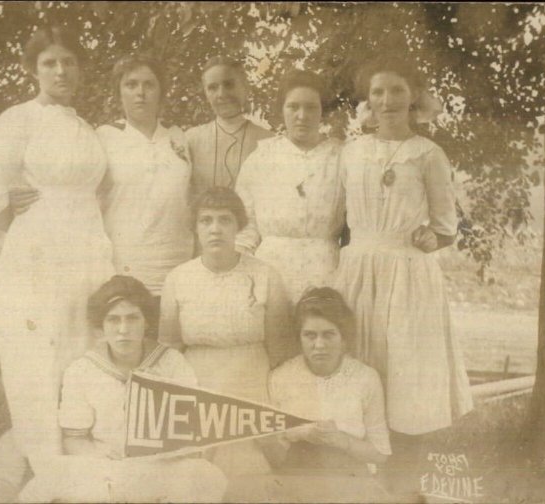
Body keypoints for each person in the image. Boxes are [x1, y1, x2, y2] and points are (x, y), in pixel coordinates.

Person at [0, 25, 114, 470]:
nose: (60, 70)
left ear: (81, 69)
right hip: (38, 254)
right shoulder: (19, 119)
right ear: (32, 70)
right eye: (49, 62)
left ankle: (84, 453)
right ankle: (44, 462)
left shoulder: (87, 127)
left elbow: (102, 192)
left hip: (88, 249)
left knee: (82, 344)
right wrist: (25, 230)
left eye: (68, 61)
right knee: (40, 351)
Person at [335, 55, 473, 497]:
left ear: (413, 97)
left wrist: (432, 237)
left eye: (396, 91)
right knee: (361, 372)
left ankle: (405, 489)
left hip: (408, 277)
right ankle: (357, 486)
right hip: (359, 272)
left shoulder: (428, 154)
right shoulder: (351, 152)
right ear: (367, 102)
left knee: (405, 382)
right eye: (377, 92)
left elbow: (446, 226)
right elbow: (339, 217)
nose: (387, 100)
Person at [18, 275, 227, 503]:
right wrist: (98, 457)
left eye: (132, 318)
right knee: (46, 481)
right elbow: (74, 437)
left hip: (159, 468)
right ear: (101, 326)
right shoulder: (82, 370)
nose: (123, 329)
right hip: (104, 469)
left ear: (146, 321)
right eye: (113, 320)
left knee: (206, 476)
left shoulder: (171, 363)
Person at [158, 187, 293, 477]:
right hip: (197, 382)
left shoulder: (266, 276)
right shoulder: (178, 278)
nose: (215, 229)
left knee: (247, 468)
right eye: (206, 221)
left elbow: (281, 352)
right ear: (194, 228)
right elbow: (168, 351)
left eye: (225, 220)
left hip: (252, 382)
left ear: (238, 226)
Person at [236, 69, 345, 303]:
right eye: (293, 107)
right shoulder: (262, 158)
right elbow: (246, 224)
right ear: (282, 110)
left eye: (311, 107)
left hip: (326, 271)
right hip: (271, 271)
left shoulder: (341, 158)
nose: (302, 115)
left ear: (322, 111)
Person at [97, 55, 194, 307]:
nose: (140, 93)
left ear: (161, 92)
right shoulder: (104, 139)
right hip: (127, 269)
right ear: (119, 93)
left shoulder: (177, 138)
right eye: (131, 85)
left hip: (177, 267)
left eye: (149, 85)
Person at [266, 287, 391, 475]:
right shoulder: (281, 377)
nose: (319, 345)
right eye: (310, 335)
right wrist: (299, 433)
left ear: (343, 337)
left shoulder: (365, 378)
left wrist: (342, 440)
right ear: (299, 337)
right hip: (298, 476)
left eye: (329, 334)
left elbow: (381, 454)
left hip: (350, 477)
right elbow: (272, 451)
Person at [186, 56, 273, 196]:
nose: (221, 94)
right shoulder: (191, 139)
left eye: (229, 85)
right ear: (206, 94)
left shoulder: (268, 141)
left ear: (245, 87)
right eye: (212, 88)